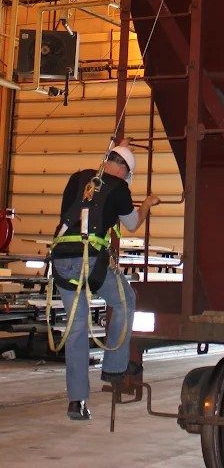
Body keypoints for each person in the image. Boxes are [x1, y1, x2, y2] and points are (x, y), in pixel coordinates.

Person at [51, 141, 160, 421]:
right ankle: (114, 367)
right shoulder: (120, 188)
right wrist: (146, 204)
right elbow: (133, 223)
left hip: (62, 259)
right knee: (125, 300)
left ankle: (77, 402)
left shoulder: (77, 178)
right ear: (123, 169)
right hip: (91, 261)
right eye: (127, 174)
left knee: (76, 328)